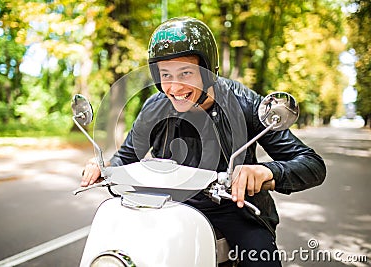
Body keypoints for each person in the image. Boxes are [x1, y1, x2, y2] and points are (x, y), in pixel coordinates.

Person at [81, 17, 326, 266]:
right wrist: (105, 165)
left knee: (262, 260)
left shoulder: (245, 103)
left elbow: (312, 164)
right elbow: (128, 156)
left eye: (186, 73)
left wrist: (265, 172)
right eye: (165, 74)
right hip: (168, 206)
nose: (175, 86)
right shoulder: (154, 108)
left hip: (235, 210)